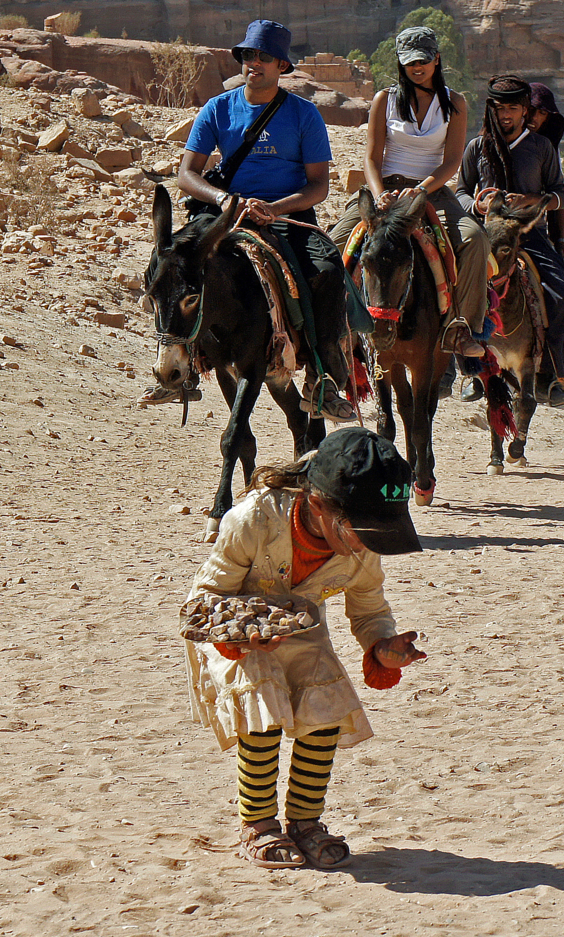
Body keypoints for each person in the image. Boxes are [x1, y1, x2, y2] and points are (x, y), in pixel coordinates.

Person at [183, 427, 427, 869]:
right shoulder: (254, 520)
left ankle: (305, 823)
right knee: (261, 701)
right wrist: (242, 633)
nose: (367, 542)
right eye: (359, 530)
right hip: (235, 631)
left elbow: (368, 608)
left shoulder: (361, 546)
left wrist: (382, 645)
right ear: (318, 506)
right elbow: (204, 600)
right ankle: (256, 825)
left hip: (302, 629)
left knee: (327, 707)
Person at [175, 19, 356, 423]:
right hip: (225, 211)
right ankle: (178, 363)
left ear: (281, 66)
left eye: (264, 57)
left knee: (326, 271)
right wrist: (225, 199)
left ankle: (322, 379)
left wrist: (275, 209)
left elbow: (318, 186)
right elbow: (187, 174)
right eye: (248, 55)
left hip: (287, 215)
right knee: (173, 262)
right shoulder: (218, 108)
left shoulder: (304, 115)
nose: (254, 63)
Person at [329, 26, 489, 361]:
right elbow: (372, 158)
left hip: (430, 190)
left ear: (436, 59)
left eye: (423, 60)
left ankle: (464, 328)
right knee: (334, 244)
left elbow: (451, 163)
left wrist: (419, 190)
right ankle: (331, 326)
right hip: (385, 188)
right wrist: (380, 193)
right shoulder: (384, 100)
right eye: (409, 62)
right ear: (401, 64)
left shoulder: (454, 103)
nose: (417, 67)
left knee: (475, 240)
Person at [458, 74, 564, 412]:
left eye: (513, 108)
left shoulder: (541, 148)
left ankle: (556, 377)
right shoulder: (477, 148)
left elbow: (560, 194)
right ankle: (464, 371)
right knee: (452, 292)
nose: (505, 115)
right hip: (487, 238)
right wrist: (477, 205)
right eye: (499, 108)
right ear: (490, 109)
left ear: (523, 110)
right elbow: (459, 192)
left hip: (530, 237)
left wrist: (537, 200)